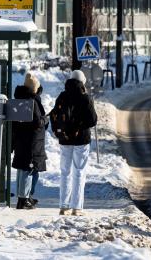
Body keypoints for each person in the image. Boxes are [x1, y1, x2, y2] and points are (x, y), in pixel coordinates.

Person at [52, 69, 97, 216]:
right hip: (81, 139)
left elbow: (54, 116)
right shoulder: (85, 98)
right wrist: (80, 126)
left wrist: (58, 132)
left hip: (65, 139)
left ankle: (63, 206)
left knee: (65, 172)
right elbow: (92, 120)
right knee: (79, 172)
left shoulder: (62, 96)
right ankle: (77, 208)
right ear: (82, 82)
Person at [11, 72, 47, 209]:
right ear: (35, 89)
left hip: (21, 140)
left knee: (23, 169)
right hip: (32, 141)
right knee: (29, 169)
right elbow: (37, 122)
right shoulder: (32, 102)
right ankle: (23, 199)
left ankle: (25, 196)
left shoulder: (19, 100)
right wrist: (46, 119)